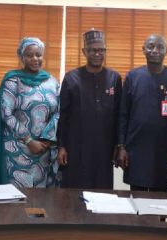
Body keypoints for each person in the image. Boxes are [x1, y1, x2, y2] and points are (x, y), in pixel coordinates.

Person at [116, 34, 167, 192]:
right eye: (150, 46)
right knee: (137, 200)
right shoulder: (133, 77)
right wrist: (121, 147)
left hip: (163, 152)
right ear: (143, 50)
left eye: (160, 47)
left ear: (166, 51)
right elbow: (123, 115)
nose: (155, 50)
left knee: (160, 203)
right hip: (136, 150)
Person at [57, 28, 122, 189]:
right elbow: (63, 115)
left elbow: (120, 115)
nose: (97, 54)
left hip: (104, 147)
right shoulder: (71, 78)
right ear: (84, 52)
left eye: (101, 50)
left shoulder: (114, 78)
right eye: (93, 50)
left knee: (103, 194)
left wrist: (119, 145)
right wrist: (62, 146)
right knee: (73, 193)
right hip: (76, 146)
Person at [0, 37, 59, 188]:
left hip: (44, 150)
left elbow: (58, 112)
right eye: (29, 55)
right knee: (18, 198)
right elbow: (6, 114)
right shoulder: (13, 81)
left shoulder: (52, 82)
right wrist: (29, 141)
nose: (35, 59)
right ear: (21, 57)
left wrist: (47, 141)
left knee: (42, 198)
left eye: (38, 55)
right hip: (17, 150)